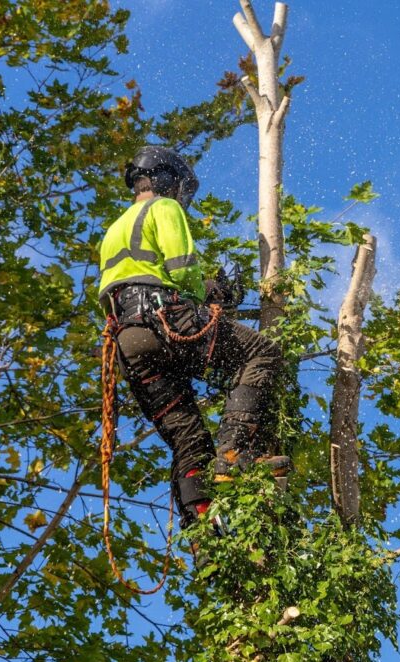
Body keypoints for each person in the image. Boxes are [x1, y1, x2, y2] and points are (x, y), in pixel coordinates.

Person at [98, 145, 289, 532]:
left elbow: (129, 282)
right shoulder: (164, 209)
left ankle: (204, 536)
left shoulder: (114, 229)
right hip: (166, 319)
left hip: (130, 342)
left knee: (188, 437)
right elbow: (181, 270)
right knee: (262, 354)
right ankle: (234, 454)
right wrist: (212, 292)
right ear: (167, 179)